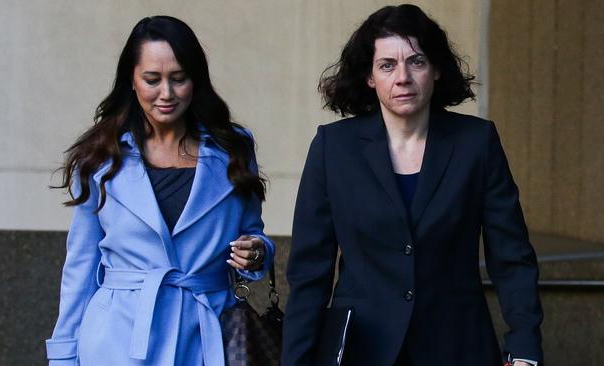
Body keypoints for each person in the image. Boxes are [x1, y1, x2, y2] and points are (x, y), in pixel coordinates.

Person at [282, 4, 542, 366]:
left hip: (457, 345)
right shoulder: (333, 147)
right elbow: (310, 272)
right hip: (362, 348)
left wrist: (525, 349)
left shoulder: (476, 143)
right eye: (387, 65)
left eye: (416, 61)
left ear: (436, 69)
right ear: (370, 77)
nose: (402, 77)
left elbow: (511, 257)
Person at [45, 16, 274, 366]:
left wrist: (257, 253)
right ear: (132, 81)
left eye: (178, 79)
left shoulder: (233, 148)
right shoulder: (100, 155)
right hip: (117, 340)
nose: (166, 93)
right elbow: (80, 264)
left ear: (195, 81)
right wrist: (63, 356)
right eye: (152, 79)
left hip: (206, 334)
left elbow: (252, 234)